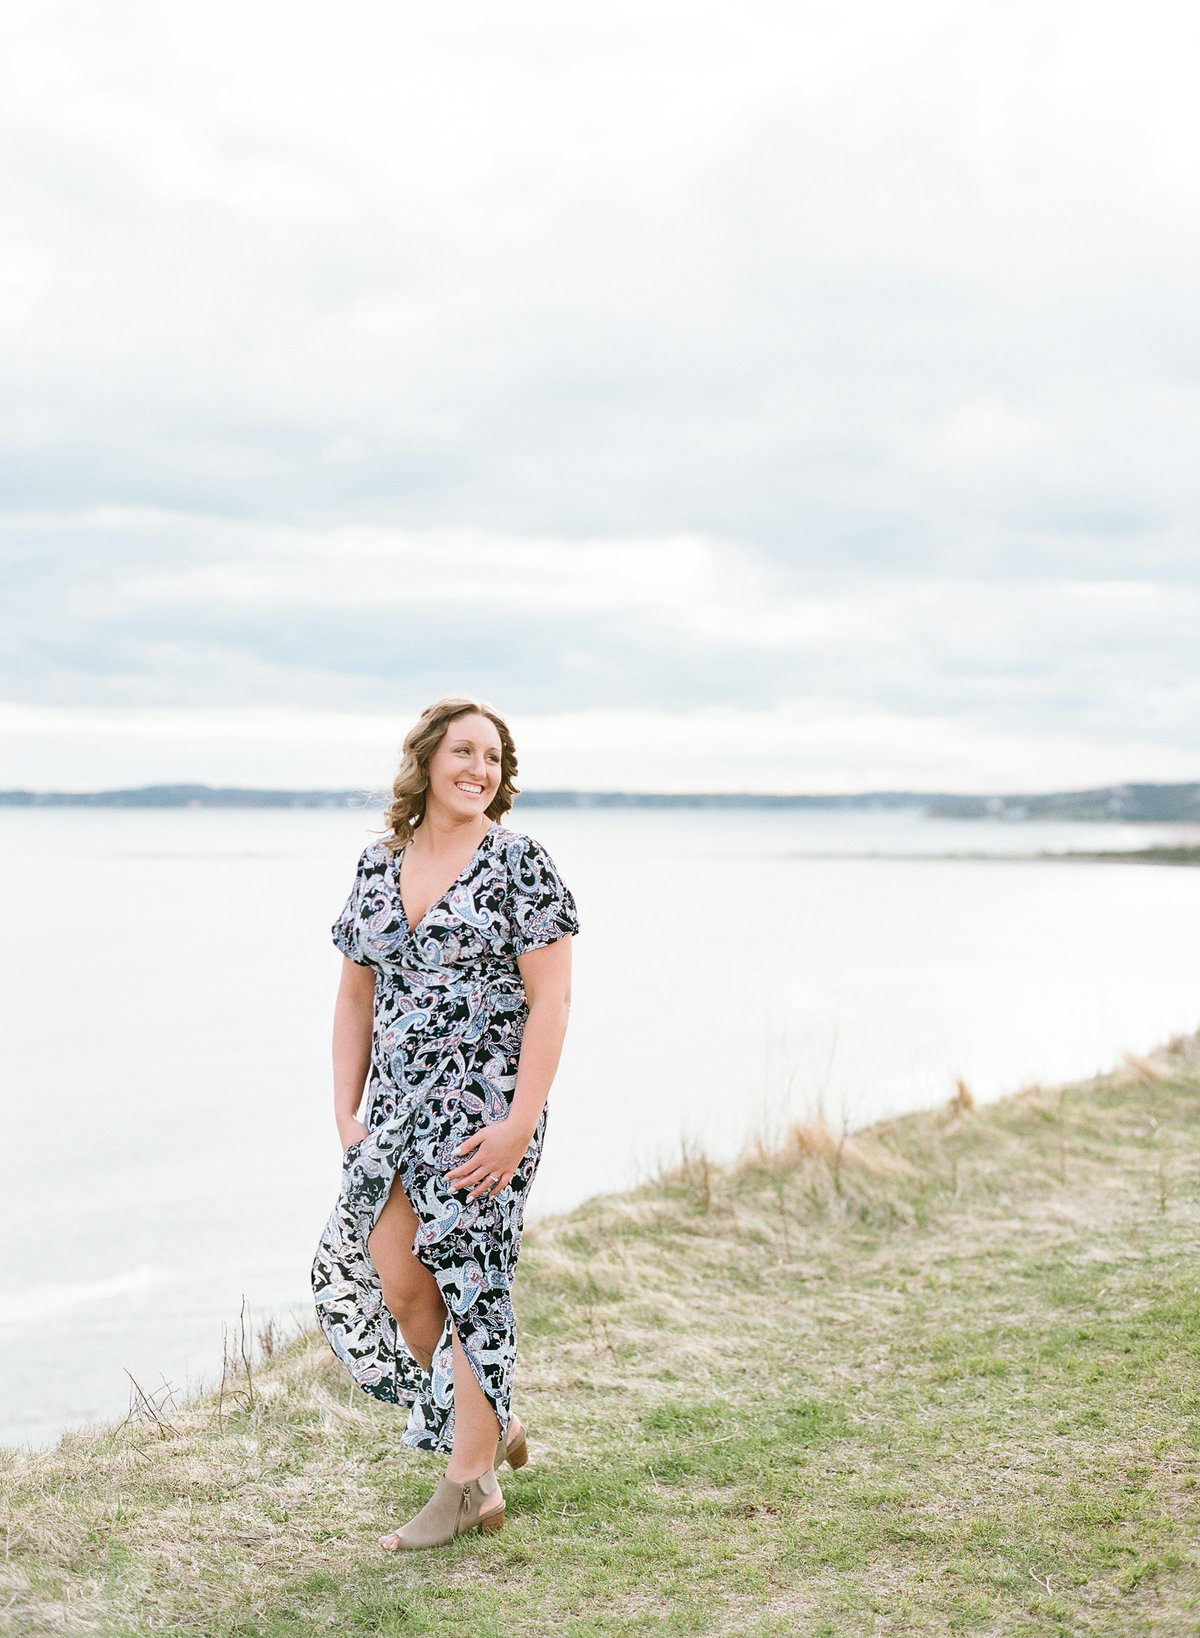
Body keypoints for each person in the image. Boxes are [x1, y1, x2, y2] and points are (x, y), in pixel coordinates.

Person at [311, 697, 578, 1550]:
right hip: (390, 1117)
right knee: (399, 1282)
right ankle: (489, 1419)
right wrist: (346, 1116)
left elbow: (553, 1002)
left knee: (473, 1284)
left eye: (494, 758)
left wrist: (517, 1125)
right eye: (464, 751)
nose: (480, 769)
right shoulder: (375, 865)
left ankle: (470, 1485)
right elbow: (355, 997)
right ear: (426, 759)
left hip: (483, 1118)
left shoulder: (519, 864)